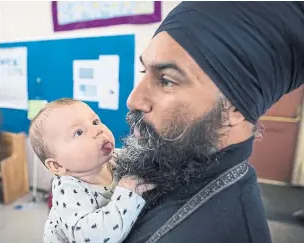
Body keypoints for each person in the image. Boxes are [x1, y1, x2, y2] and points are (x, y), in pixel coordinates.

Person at [115, 2, 304, 243]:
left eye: (166, 80)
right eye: (145, 72)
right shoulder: (170, 163)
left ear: (234, 107)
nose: (134, 100)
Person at [29, 98, 153, 243]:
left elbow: (142, 158)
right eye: (79, 132)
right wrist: (128, 192)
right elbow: (91, 237)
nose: (98, 130)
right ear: (57, 166)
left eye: (95, 122)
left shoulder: (114, 158)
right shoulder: (68, 190)